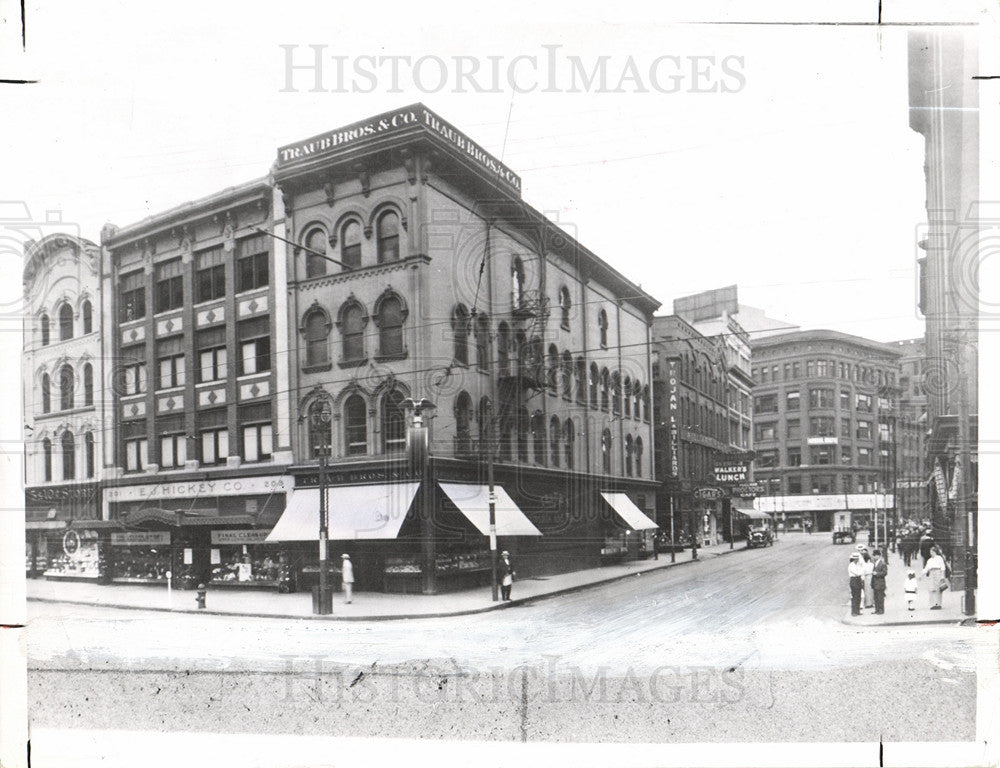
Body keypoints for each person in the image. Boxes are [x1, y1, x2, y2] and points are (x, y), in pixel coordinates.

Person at [871, 548, 888, 615]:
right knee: (876, 598)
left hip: (880, 583)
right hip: (875, 583)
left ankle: (881, 610)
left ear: (878, 556)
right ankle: (877, 609)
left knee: (880, 597)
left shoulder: (882, 563)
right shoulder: (875, 563)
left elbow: (885, 573)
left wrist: (877, 574)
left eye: (874, 555)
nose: (873, 557)